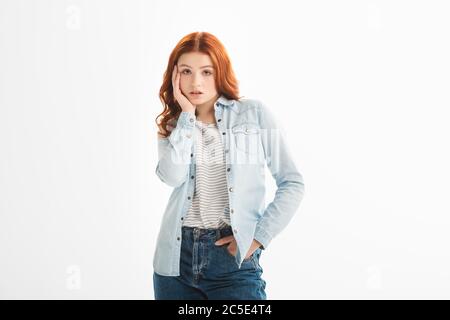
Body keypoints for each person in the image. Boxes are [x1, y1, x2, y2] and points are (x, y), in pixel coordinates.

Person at [153, 31, 305, 300]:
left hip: (231, 261)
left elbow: (292, 183)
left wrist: (258, 237)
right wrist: (187, 116)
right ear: (175, 76)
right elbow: (172, 177)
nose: (196, 81)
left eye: (207, 72)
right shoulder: (173, 125)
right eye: (186, 71)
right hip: (174, 262)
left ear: (220, 72)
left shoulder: (254, 114)